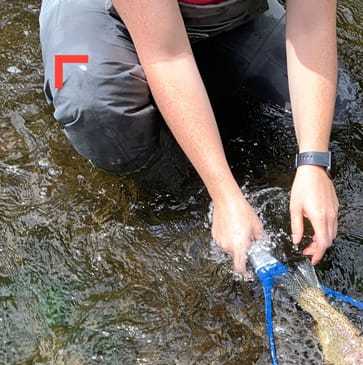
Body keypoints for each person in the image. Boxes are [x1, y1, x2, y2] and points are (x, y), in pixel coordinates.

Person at [39, 0, 341, 274]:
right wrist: (222, 195)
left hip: (216, 18)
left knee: (332, 108)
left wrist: (313, 161)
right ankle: (180, 194)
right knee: (90, 102)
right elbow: (166, 57)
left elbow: (312, 27)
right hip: (99, 13)